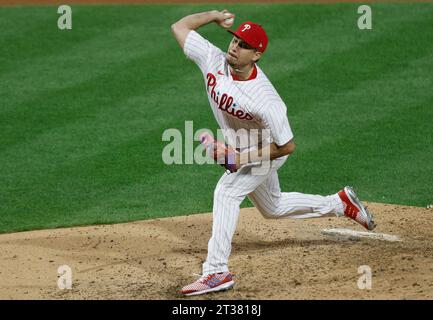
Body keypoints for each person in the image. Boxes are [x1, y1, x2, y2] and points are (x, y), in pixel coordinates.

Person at [171, 9, 375, 296]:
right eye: (234, 40)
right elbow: (180, 26)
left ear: (256, 54)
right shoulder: (213, 59)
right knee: (273, 207)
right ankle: (339, 203)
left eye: (243, 44)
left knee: (226, 192)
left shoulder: (266, 99)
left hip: (267, 152)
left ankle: (216, 271)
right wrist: (214, 15)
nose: (234, 46)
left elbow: (287, 145)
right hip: (242, 147)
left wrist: (239, 158)